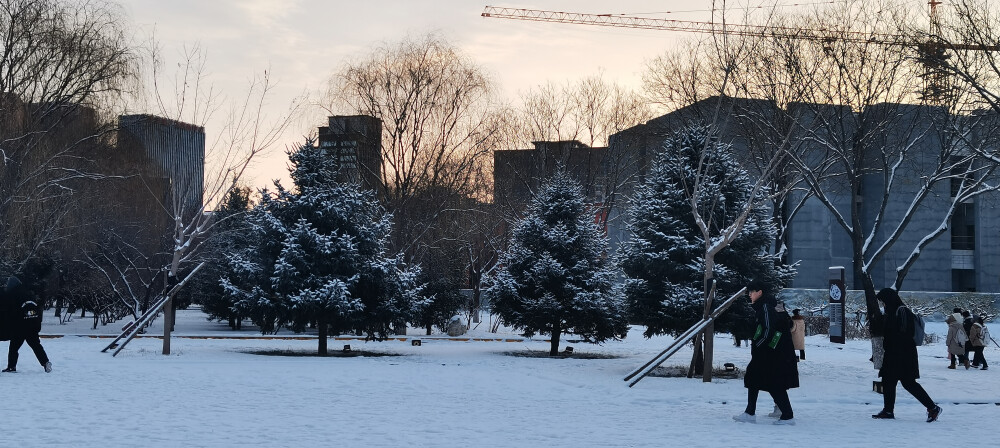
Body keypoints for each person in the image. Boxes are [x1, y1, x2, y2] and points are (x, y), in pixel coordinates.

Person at [733, 280, 799, 425]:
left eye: (752, 292)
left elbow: (769, 329)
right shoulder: (771, 305)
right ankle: (751, 412)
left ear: (760, 292)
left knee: (772, 383)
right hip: (776, 351)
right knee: (754, 378)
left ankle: (787, 415)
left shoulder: (765, 307)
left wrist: (759, 344)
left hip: (769, 352)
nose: (749, 295)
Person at [872, 288, 942, 422]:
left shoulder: (902, 311)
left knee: (908, 383)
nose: (882, 304)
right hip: (893, 353)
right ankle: (888, 410)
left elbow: (904, 333)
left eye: (883, 301)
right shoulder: (890, 312)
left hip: (904, 354)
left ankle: (933, 408)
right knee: (888, 381)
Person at [2, 276, 52, 373]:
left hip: (20, 327)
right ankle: (46, 362)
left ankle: (11, 367)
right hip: (32, 325)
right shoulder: (28, 293)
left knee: (13, 348)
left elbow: (12, 312)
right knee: (36, 346)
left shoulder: (13, 294)